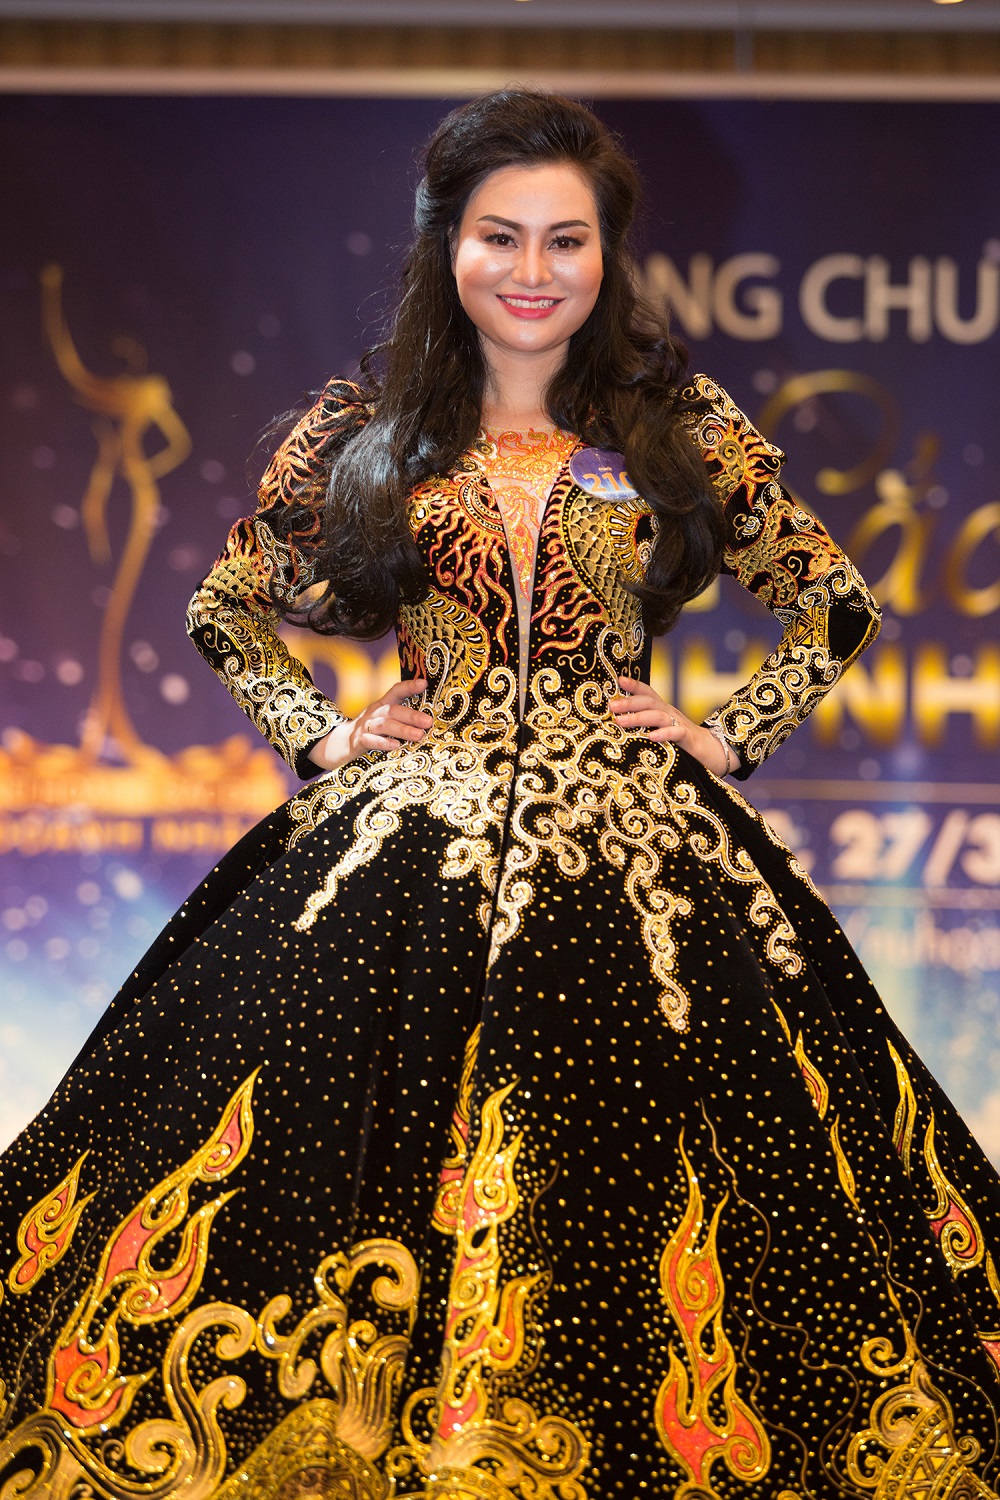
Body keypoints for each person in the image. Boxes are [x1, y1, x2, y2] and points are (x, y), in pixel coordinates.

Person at [2, 89, 999, 1500]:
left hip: (640, 865)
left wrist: (729, 736)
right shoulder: (365, 426)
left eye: (566, 240)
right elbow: (224, 607)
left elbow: (833, 604)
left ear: (607, 256)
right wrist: (320, 734)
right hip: (402, 857)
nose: (534, 270)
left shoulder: (676, 424)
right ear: (447, 245)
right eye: (500, 236)